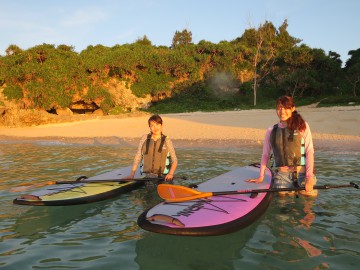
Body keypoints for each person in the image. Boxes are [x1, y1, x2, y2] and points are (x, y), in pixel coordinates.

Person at [246, 95, 317, 196]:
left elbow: (309, 151)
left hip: (303, 174)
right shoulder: (271, 130)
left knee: (309, 198)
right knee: (283, 201)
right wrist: (261, 176)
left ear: (292, 109)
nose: (282, 111)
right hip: (282, 176)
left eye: (286, 108)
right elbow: (265, 154)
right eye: (279, 108)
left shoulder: (302, 126)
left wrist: (309, 177)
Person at [125, 114, 178, 186]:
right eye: (152, 125)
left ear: (162, 125)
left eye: (157, 124)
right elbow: (138, 157)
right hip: (148, 177)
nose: (155, 127)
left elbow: (174, 160)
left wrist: (171, 173)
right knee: (150, 194)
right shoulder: (144, 138)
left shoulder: (167, 140)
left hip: (164, 177)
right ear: (149, 127)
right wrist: (132, 175)